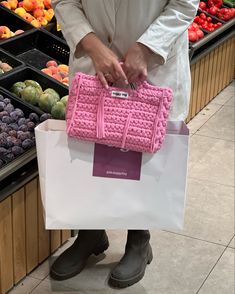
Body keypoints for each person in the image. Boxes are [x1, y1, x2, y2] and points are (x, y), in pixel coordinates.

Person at [50, 0, 199, 289]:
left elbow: (185, 2)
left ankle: (139, 238)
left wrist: (146, 47)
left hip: (154, 63)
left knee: (142, 156)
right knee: (90, 154)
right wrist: (90, 43)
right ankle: (91, 233)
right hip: (94, 61)